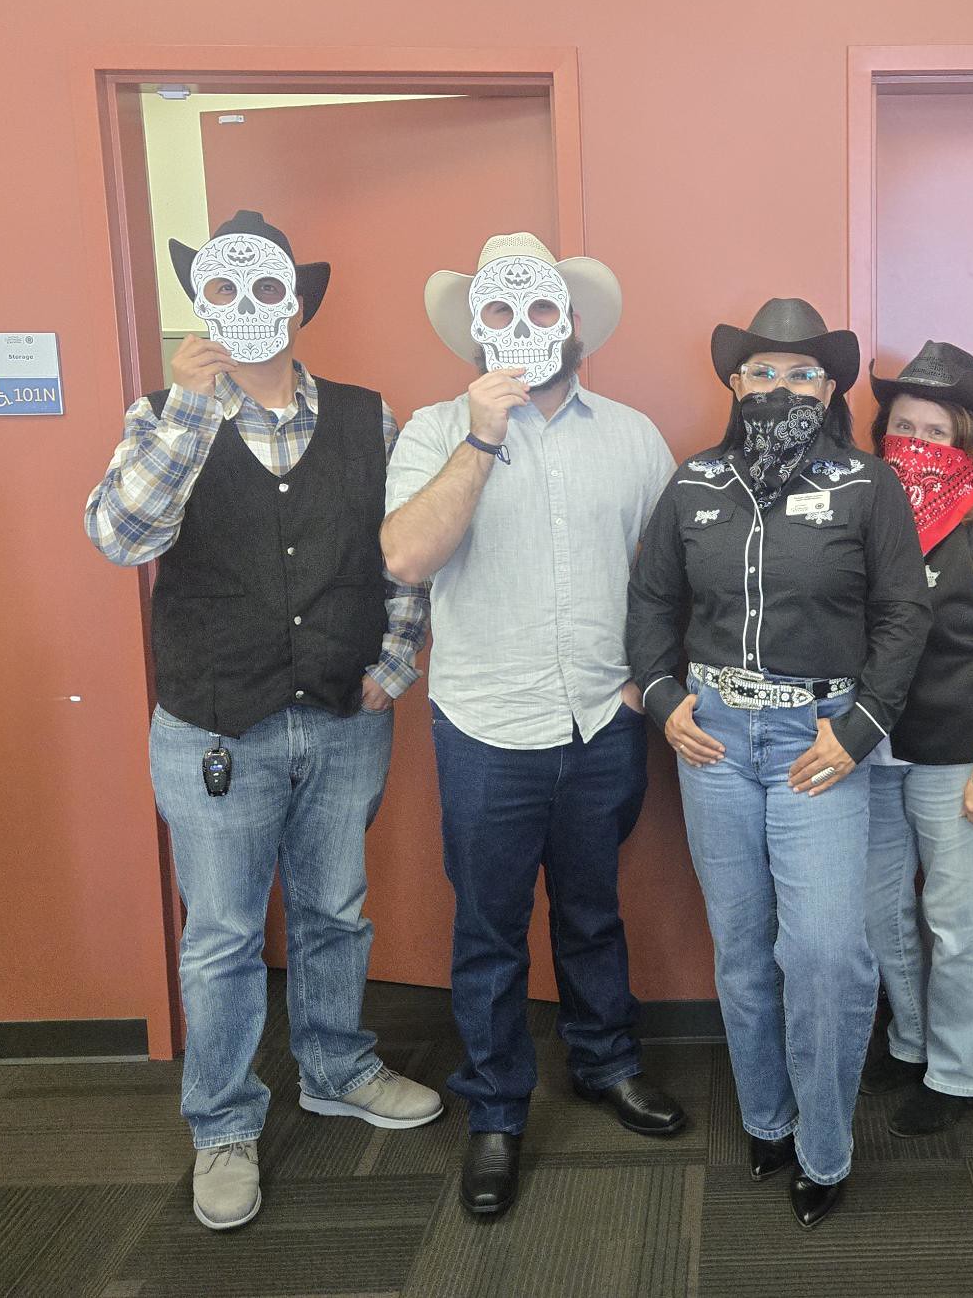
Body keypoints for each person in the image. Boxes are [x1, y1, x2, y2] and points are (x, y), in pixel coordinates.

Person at [86, 210, 442, 1233]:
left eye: (264, 291)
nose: (246, 311)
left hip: (340, 715)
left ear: (296, 301)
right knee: (224, 937)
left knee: (336, 908)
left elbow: (397, 553)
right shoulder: (164, 411)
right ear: (205, 302)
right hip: (214, 728)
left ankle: (335, 1066)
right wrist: (191, 412)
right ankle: (223, 1124)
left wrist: (394, 658)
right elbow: (119, 536)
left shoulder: (368, 416)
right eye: (226, 292)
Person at [381, 232, 686, 1220]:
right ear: (474, 331)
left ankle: (603, 1064)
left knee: (594, 911)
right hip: (485, 728)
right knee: (489, 933)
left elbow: (672, 576)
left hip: (602, 721)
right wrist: (479, 439)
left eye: (541, 311)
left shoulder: (633, 437)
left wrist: (649, 680)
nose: (522, 331)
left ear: (575, 324)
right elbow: (406, 559)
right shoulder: (433, 432)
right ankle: (498, 1111)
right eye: (502, 315)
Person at [627, 298, 930, 1228]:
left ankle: (825, 1147)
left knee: (828, 953)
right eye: (763, 370)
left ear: (831, 386)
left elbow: (905, 614)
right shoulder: (692, 483)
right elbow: (648, 604)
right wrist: (663, 698)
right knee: (744, 950)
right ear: (735, 383)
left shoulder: (868, 485)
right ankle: (765, 1117)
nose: (782, 384)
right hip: (713, 740)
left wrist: (864, 724)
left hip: (822, 745)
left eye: (803, 372)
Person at [857, 342, 973, 1137]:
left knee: (955, 919)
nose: (918, 444)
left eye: (936, 429)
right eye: (905, 427)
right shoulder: (860, 512)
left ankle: (961, 1073)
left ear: (968, 442)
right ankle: (909, 1041)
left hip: (964, 749)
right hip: (870, 750)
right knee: (877, 912)